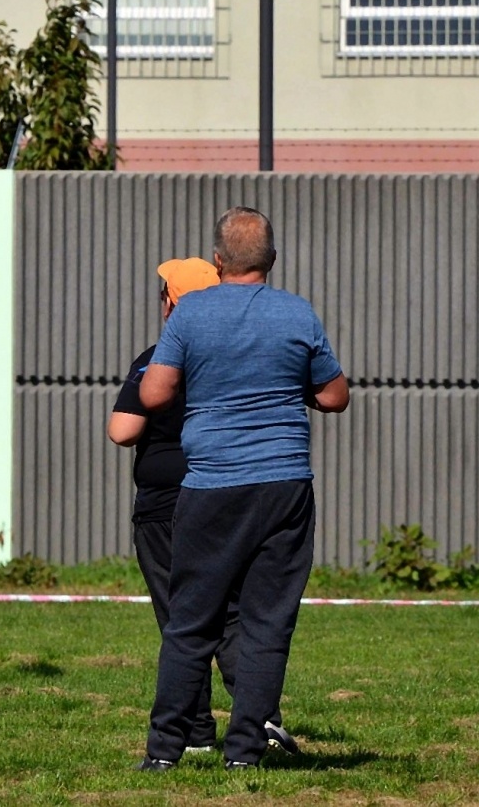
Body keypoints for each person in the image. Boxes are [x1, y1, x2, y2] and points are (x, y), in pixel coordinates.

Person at [135, 207, 350, 772]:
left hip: (210, 486)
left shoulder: (192, 314)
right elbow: (333, 397)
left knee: (190, 621)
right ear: (272, 261)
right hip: (283, 485)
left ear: (217, 261)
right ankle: (245, 756)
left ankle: (162, 754)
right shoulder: (297, 312)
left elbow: (154, 395)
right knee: (265, 623)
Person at [107, 257, 294, 754]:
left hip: (166, 505)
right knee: (233, 614)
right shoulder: (243, 354)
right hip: (235, 492)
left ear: (171, 302)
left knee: (182, 619)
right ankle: (260, 718)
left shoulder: (157, 357)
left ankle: (192, 733)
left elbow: (121, 431)